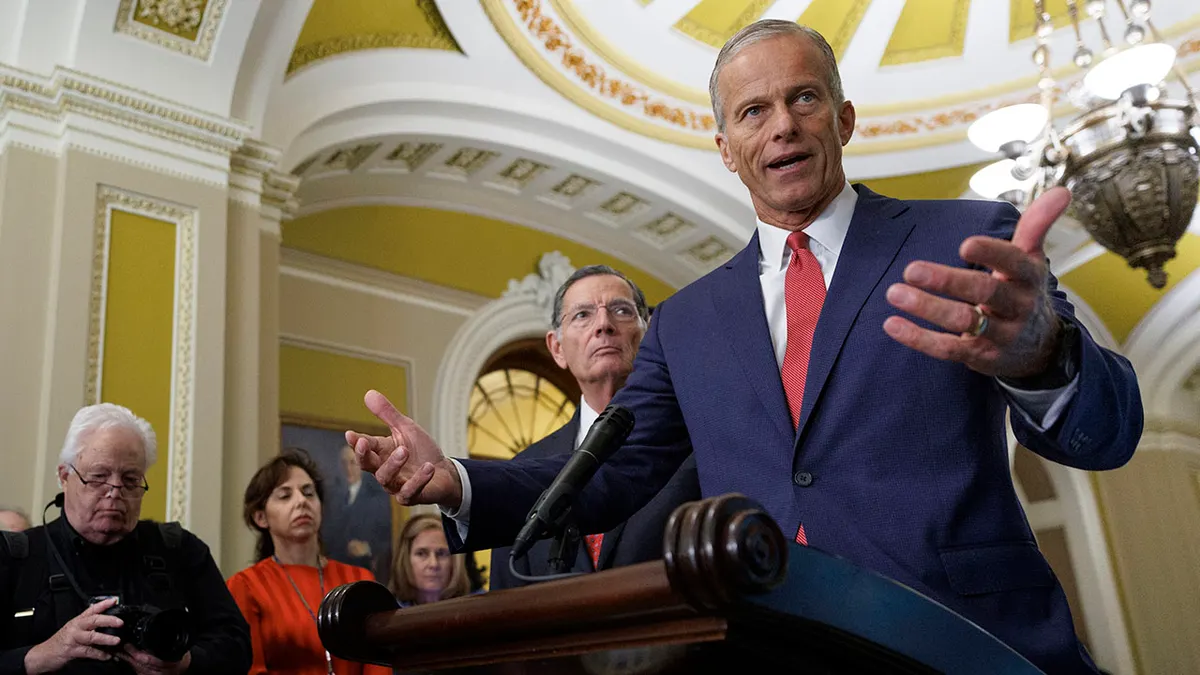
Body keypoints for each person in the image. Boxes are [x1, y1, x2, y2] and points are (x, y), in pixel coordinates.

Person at [346, 21, 1142, 675]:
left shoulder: (968, 238)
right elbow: (613, 468)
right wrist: (454, 480)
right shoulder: (689, 320)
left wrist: (1046, 353)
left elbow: (1110, 430)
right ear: (726, 148)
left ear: (844, 118)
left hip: (966, 639)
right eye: (754, 111)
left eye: (803, 98)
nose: (783, 123)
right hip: (775, 646)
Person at [488, 265, 700, 589]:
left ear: (648, 336)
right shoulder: (523, 471)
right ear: (557, 348)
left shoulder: (697, 445)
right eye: (582, 315)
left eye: (621, 310)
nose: (604, 325)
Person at [0, 403, 251, 674]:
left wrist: (185, 663)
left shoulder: (179, 550)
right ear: (65, 476)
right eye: (98, 477)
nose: (114, 492)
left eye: (130, 480)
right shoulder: (15, 557)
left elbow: (237, 647)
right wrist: (42, 654)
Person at [227, 450, 390, 675]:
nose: (301, 501)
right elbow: (251, 669)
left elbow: (378, 665)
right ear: (261, 518)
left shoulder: (359, 580)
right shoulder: (246, 585)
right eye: (285, 496)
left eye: (308, 493)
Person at [321, 446, 392, 585]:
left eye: (353, 463)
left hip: (365, 572)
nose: (348, 468)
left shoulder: (376, 498)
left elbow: (387, 538)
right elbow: (328, 535)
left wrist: (368, 548)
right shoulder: (333, 498)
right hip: (336, 573)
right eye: (344, 463)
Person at [388, 515, 470, 607]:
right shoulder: (386, 615)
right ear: (405, 560)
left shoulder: (478, 608)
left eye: (441, 554)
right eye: (421, 554)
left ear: (455, 561)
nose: (433, 564)